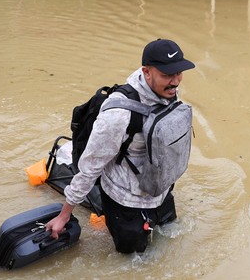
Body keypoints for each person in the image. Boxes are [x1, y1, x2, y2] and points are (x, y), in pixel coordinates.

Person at [45, 38, 195, 253]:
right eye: (167, 75)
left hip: (160, 193)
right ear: (147, 72)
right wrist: (65, 214)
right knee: (135, 262)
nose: (175, 81)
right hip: (126, 203)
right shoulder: (118, 115)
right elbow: (90, 167)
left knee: (172, 238)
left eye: (178, 73)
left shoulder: (165, 89)